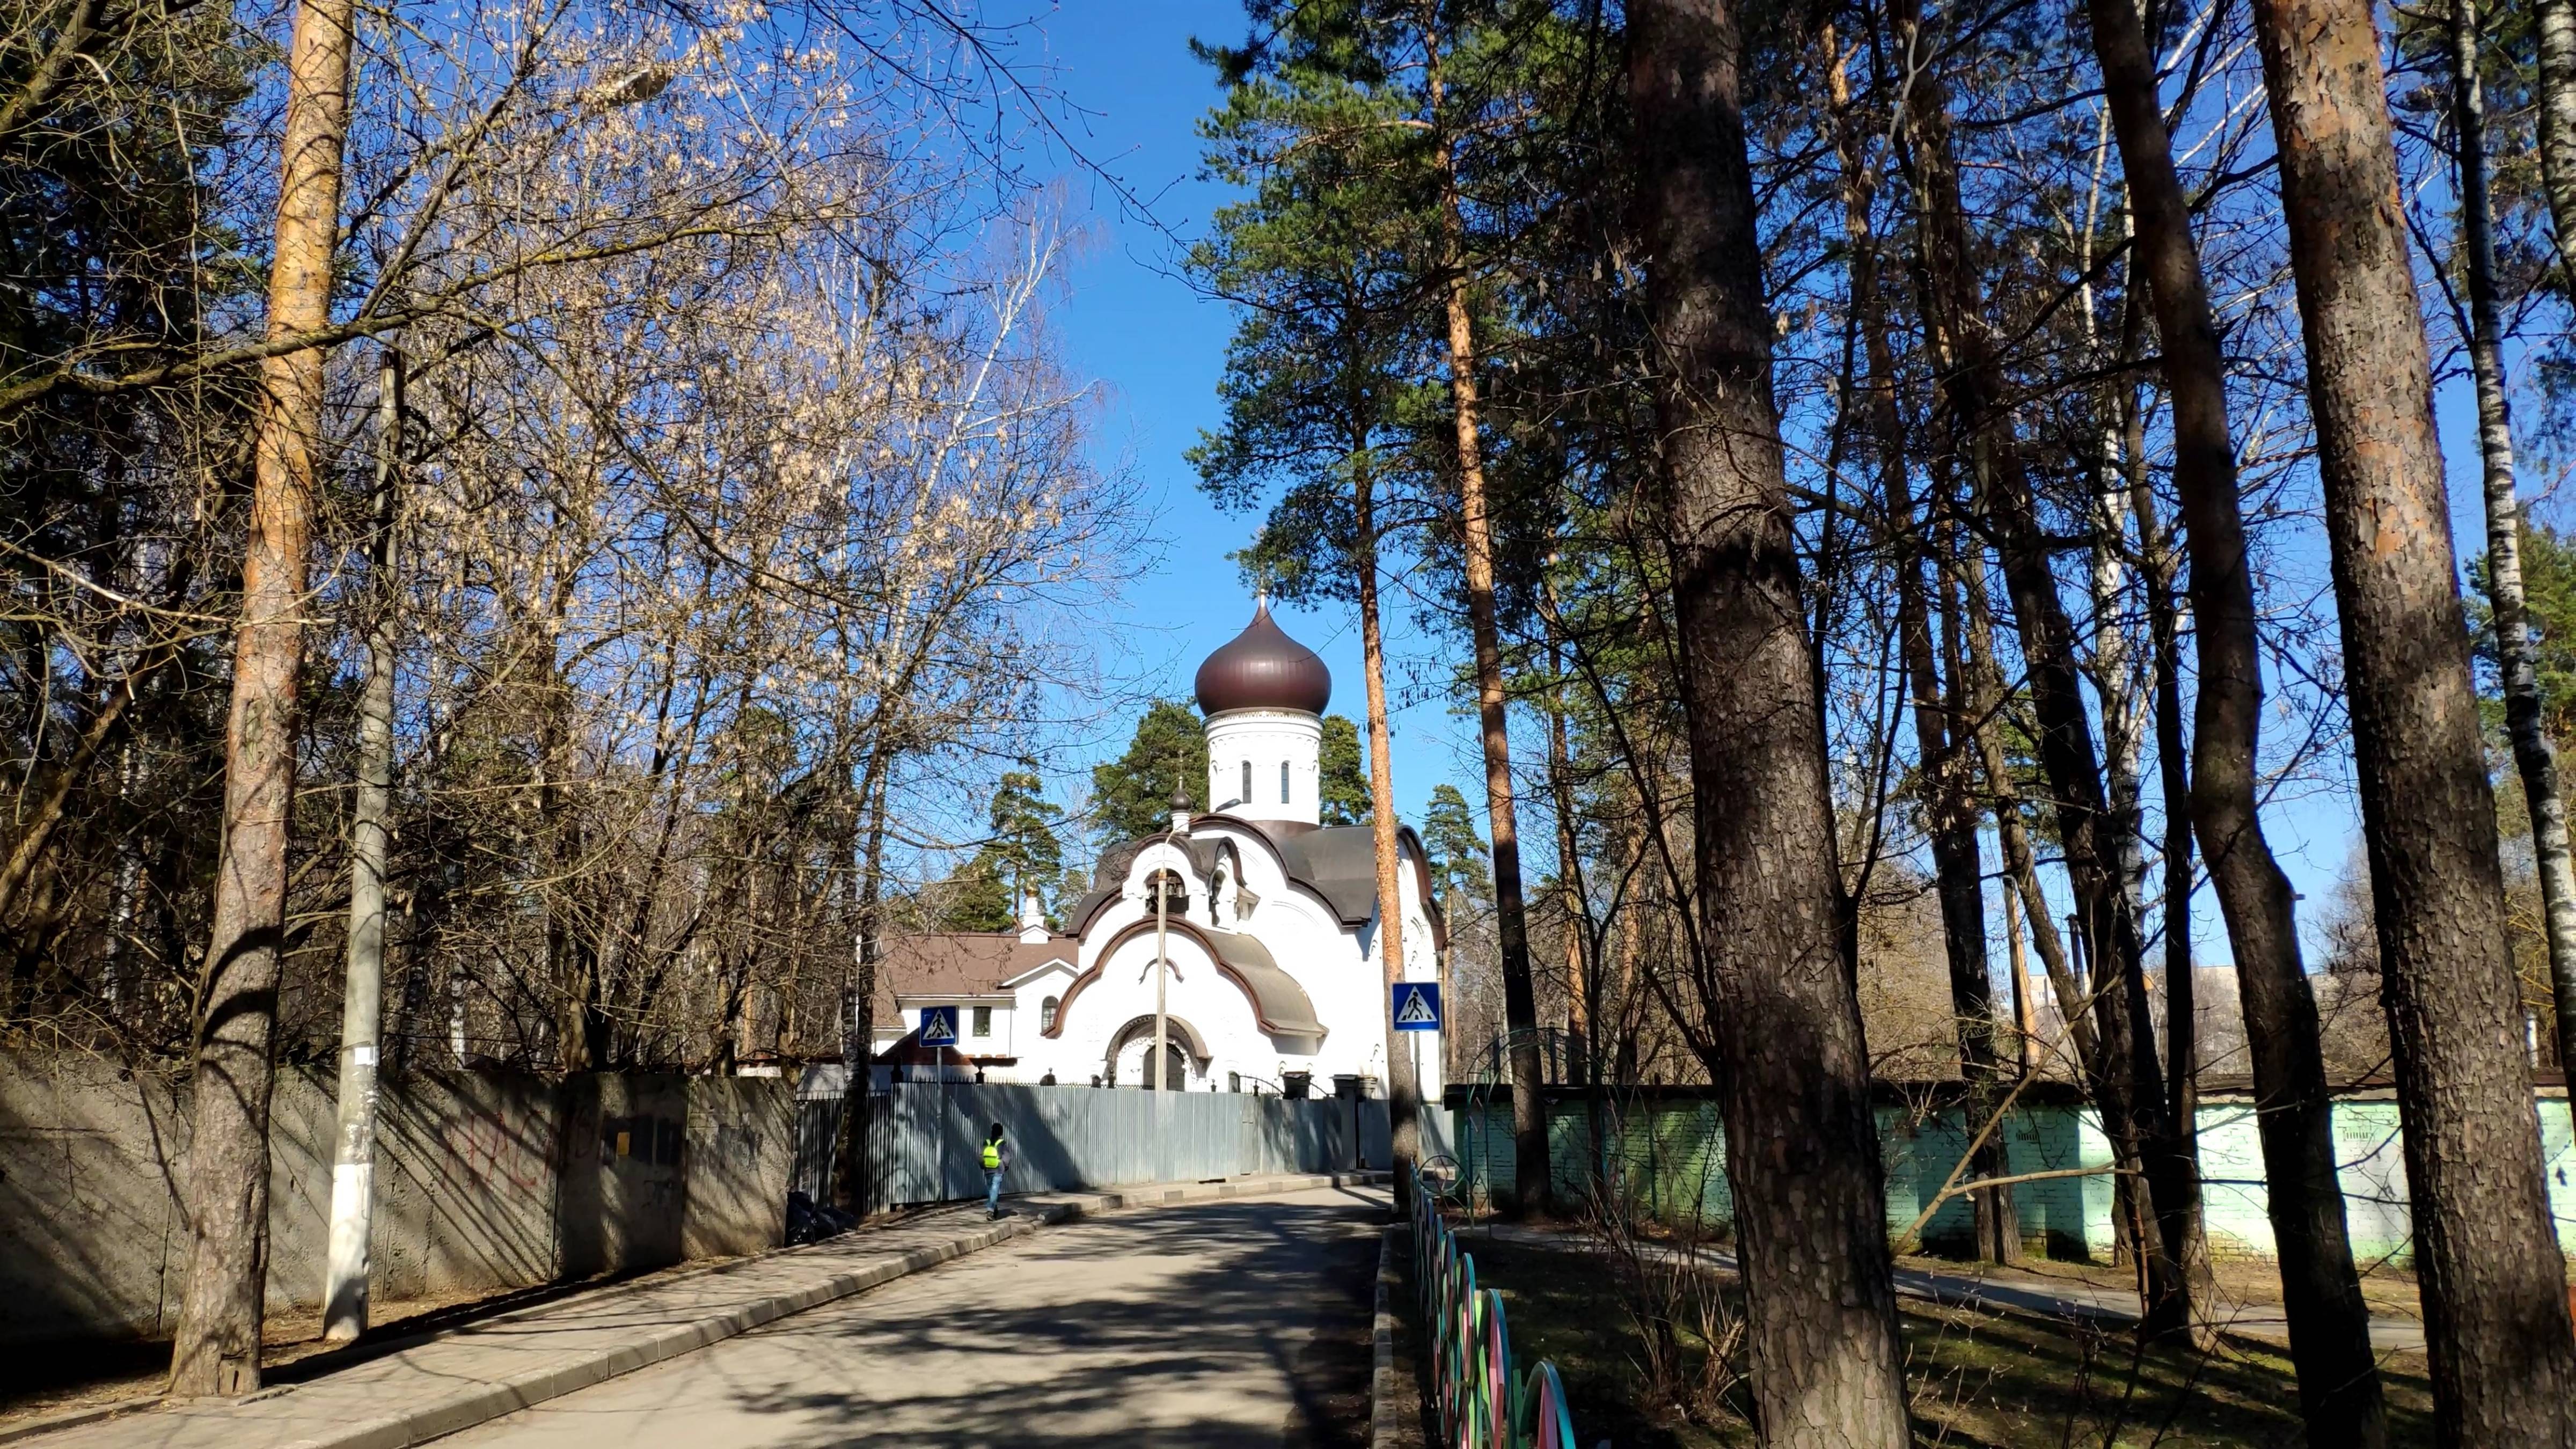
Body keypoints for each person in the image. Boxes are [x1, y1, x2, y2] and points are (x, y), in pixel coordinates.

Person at [982, 1121, 1009, 1219]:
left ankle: (994, 1208)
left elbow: (981, 1156)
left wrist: (983, 1165)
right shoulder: (1002, 1143)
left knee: (991, 1190)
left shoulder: (987, 1142)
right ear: (1001, 1133)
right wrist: (1006, 1166)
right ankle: (990, 1211)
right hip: (998, 1169)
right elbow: (1006, 1156)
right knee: (994, 1190)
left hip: (988, 1169)